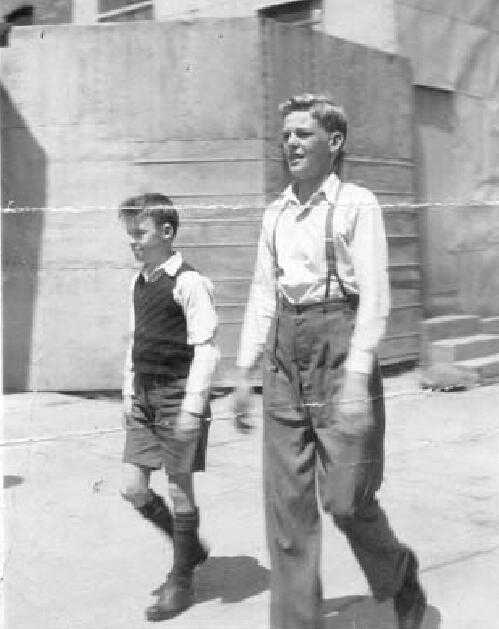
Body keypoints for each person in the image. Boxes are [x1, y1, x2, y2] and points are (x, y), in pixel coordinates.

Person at [232, 94, 427, 629]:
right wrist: (244, 371)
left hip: (339, 349)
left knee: (345, 499)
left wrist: (357, 378)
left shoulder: (356, 204)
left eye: (303, 134)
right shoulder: (275, 213)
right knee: (287, 507)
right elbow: (262, 293)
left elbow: (376, 298)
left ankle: (398, 575)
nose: (290, 143)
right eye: (286, 135)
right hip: (283, 354)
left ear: (334, 142)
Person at [118, 193, 219, 621]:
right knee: (132, 487)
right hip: (143, 395)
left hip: (178, 396)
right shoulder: (139, 282)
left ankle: (182, 580)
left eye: (139, 233)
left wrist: (193, 407)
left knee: (179, 489)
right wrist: (128, 391)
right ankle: (189, 546)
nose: (133, 242)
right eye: (129, 234)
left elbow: (207, 347)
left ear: (166, 232)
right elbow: (134, 339)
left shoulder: (188, 282)